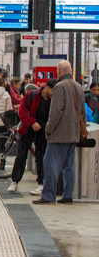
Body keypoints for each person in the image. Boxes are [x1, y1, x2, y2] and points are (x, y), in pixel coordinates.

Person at [37, 60, 84, 205]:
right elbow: (82, 111)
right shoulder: (78, 86)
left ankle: (48, 196)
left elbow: (56, 111)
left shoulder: (59, 87)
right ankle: (68, 195)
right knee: (69, 166)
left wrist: (49, 129)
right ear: (71, 70)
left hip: (59, 134)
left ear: (58, 71)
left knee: (50, 164)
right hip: (73, 133)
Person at [12, 81, 53, 193]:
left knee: (41, 156)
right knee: (21, 154)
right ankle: (15, 181)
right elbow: (22, 110)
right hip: (28, 128)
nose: (53, 94)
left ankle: (41, 183)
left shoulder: (52, 100)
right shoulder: (32, 94)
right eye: (53, 91)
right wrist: (32, 122)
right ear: (48, 88)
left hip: (43, 130)